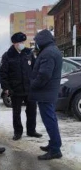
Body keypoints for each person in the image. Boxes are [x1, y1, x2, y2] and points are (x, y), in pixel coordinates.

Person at [0, 32, 42, 141]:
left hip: (29, 88)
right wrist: (7, 88)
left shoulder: (28, 53)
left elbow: (35, 69)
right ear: (14, 43)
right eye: (19, 42)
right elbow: (3, 74)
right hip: (16, 90)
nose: (22, 44)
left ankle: (31, 130)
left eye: (23, 42)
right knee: (16, 112)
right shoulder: (8, 55)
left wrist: (35, 83)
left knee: (32, 110)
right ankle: (18, 132)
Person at [30, 29, 63, 160]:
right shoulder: (52, 50)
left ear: (42, 40)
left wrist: (33, 84)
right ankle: (54, 144)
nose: (36, 44)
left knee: (49, 121)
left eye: (36, 41)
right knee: (51, 120)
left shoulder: (48, 53)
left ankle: (55, 149)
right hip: (49, 92)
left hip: (45, 93)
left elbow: (44, 75)